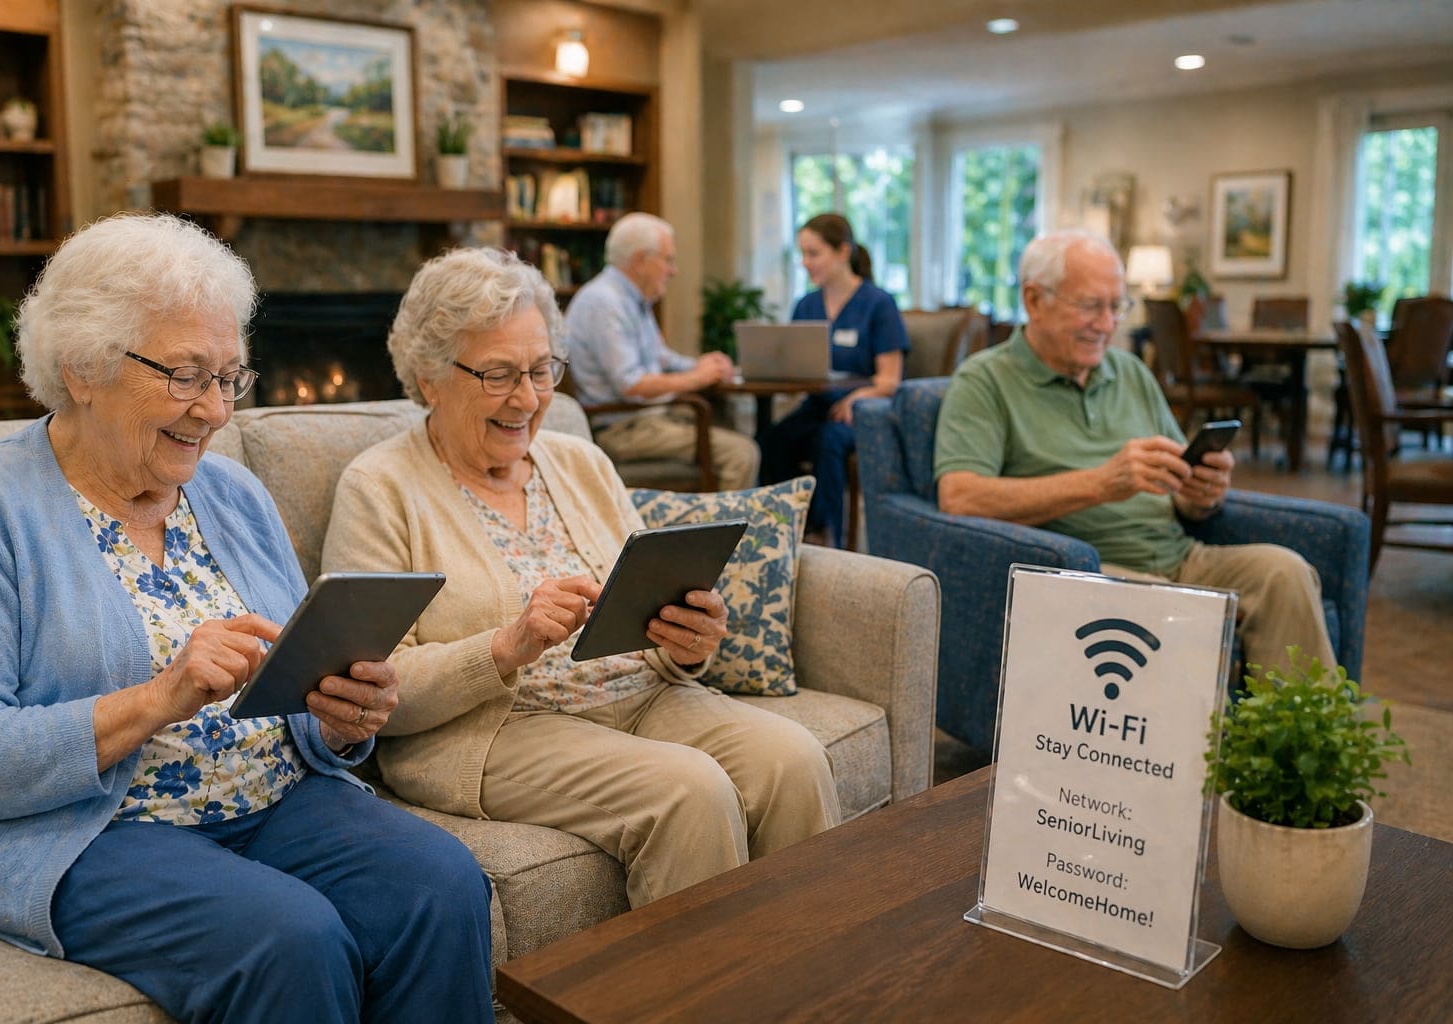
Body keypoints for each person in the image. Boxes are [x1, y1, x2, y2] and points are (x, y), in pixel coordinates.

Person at [0, 214, 494, 1024]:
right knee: (291, 940)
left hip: (275, 799)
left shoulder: (232, 495)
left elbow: (296, 686)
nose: (217, 412)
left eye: (230, 378)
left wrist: (338, 720)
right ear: (83, 366)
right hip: (96, 831)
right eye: (187, 376)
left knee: (441, 883)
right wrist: (158, 698)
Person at [320, 246, 840, 909]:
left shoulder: (581, 462)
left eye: (542, 370)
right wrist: (507, 645)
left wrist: (686, 645)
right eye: (501, 374)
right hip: (496, 727)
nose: (530, 398)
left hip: (642, 694)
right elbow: (367, 685)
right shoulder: (380, 486)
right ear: (429, 375)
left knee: (794, 761)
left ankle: (808, 984)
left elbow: (647, 613)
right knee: (691, 791)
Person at [931, 228, 1336, 673]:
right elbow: (960, 497)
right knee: (1174, 611)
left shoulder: (1129, 371)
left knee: (1285, 571)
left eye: (1116, 307)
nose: (1107, 325)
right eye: (1089, 306)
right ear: (1034, 300)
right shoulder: (984, 381)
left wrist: (1199, 493)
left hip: (1180, 557)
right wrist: (1101, 484)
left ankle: (1304, 742)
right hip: (1091, 571)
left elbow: (1179, 490)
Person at [565, 211, 760, 491]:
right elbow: (631, 384)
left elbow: (661, 358)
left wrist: (703, 365)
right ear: (641, 261)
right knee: (741, 454)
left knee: (728, 420)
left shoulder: (631, 299)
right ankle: (721, 533)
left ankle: (706, 522)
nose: (673, 270)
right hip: (622, 429)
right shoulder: (605, 303)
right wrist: (697, 378)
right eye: (668, 260)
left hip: (645, 419)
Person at [759, 213, 907, 547]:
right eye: (803, 254)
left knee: (828, 441)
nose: (806, 263)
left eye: (814, 254)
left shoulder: (878, 305)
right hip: (817, 407)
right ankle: (782, 531)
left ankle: (828, 535)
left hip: (865, 411)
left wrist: (857, 398)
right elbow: (796, 368)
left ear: (842, 252)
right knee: (772, 440)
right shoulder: (806, 305)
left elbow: (890, 380)